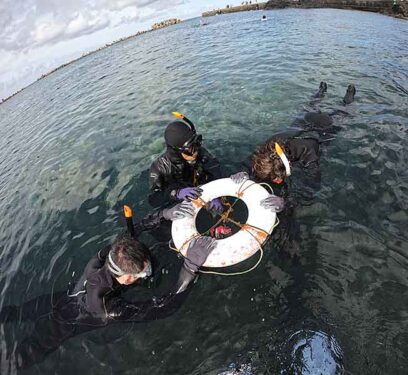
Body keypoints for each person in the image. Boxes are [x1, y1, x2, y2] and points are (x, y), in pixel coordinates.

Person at [0, 203, 214, 371]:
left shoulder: (105, 255)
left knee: (18, 313)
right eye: (144, 273)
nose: (147, 274)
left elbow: (133, 231)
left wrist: (165, 214)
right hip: (67, 324)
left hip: (65, 297)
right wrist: (190, 267)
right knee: (19, 359)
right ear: (129, 278)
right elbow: (166, 308)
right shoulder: (110, 308)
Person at [231, 82, 356, 212]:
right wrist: (244, 170)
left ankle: (347, 95)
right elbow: (253, 158)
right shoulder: (270, 146)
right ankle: (321, 91)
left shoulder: (308, 154)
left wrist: (286, 201)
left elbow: (312, 185)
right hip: (304, 121)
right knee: (311, 106)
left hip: (323, 127)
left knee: (342, 112)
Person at [148, 112, 223, 211]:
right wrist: (176, 193)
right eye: (189, 149)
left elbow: (216, 171)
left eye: (197, 143)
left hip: (203, 192)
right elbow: (153, 200)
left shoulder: (200, 152)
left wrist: (214, 194)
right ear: (176, 151)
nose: (195, 151)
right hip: (179, 204)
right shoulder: (160, 167)